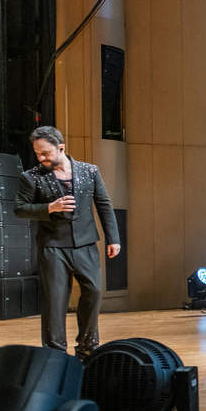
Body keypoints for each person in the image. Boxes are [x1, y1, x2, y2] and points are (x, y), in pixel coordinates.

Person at [15, 125, 121, 357]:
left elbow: (103, 204)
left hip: (85, 245)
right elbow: (20, 209)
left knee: (94, 291)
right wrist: (49, 208)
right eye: (37, 154)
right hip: (53, 247)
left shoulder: (89, 171)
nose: (41, 158)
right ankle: (55, 353)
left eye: (45, 153)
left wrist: (113, 238)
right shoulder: (31, 177)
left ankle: (87, 346)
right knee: (55, 302)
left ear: (61, 148)